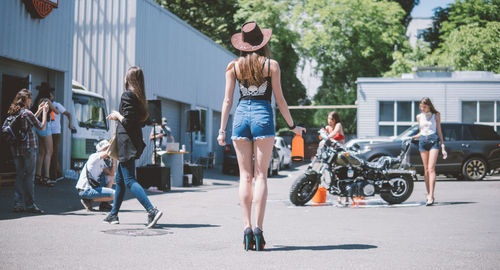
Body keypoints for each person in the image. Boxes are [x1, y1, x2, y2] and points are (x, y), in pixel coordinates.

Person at [217, 22, 306, 251]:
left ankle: (246, 229)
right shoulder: (271, 65)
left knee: (244, 176)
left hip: (240, 119)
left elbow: (227, 101)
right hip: (263, 117)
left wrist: (222, 130)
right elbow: (280, 100)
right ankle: (258, 229)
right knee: (261, 176)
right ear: (262, 43)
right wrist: (293, 126)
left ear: (243, 44)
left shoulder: (233, 67)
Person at [104, 66, 163, 228]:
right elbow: (143, 122)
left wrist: (117, 115)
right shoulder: (140, 98)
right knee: (120, 180)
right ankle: (113, 214)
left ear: (128, 79)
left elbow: (128, 122)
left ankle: (151, 211)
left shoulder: (128, 95)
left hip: (126, 142)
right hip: (132, 141)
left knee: (129, 180)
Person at [8, 89, 49, 214]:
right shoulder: (27, 113)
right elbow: (41, 127)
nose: (31, 100)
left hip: (16, 148)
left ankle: (18, 203)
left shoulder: (14, 112)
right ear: (26, 100)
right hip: (29, 147)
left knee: (20, 175)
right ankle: (30, 204)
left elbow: (29, 123)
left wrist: (39, 110)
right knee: (29, 177)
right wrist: (45, 113)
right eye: (30, 98)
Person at [411, 97, 447, 206]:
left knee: (431, 169)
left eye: (424, 107)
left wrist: (443, 147)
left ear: (429, 106)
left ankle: (431, 195)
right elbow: (421, 132)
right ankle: (428, 194)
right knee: (426, 170)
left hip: (433, 141)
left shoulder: (436, 115)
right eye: (421, 107)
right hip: (422, 142)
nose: (422, 109)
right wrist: (411, 137)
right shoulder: (419, 117)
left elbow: (439, 131)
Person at [32, 82, 59, 187]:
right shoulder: (47, 100)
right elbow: (56, 112)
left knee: (41, 152)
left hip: (38, 127)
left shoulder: (38, 100)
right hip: (45, 126)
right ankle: (46, 178)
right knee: (49, 151)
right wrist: (52, 99)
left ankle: (38, 176)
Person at [76, 140, 115, 212]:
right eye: (107, 148)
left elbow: (112, 173)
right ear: (102, 150)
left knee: (110, 177)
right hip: (85, 190)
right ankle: (87, 199)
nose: (108, 149)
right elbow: (108, 152)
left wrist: (113, 160)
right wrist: (114, 147)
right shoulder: (94, 156)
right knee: (115, 195)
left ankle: (104, 204)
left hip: (91, 188)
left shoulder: (102, 161)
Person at [320, 111, 347, 205]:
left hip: (341, 153)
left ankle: (347, 197)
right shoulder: (327, 127)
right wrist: (322, 132)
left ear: (336, 119)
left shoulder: (338, 125)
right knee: (335, 175)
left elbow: (335, 133)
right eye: (328, 118)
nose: (329, 121)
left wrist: (326, 138)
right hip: (332, 154)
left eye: (332, 119)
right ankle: (339, 197)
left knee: (343, 173)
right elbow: (322, 132)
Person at [48, 88, 74, 181]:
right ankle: (57, 173)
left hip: (55, 132)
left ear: (53, 96)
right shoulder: (44, 104)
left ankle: (53, 176)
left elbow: (68, 114)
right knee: (49, 153)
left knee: (53, 153)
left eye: (50, 95)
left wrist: (70, 123)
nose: (49, 97)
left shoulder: (57, 105)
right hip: (47, 131)